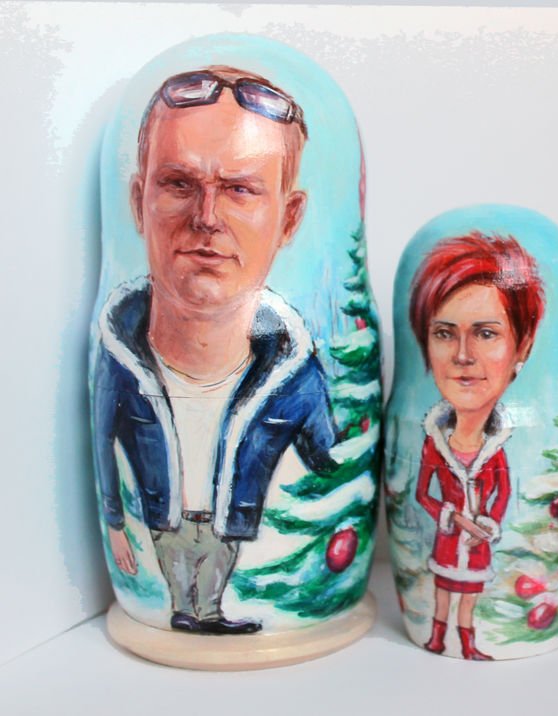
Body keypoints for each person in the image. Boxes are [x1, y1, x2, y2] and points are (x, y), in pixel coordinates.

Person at [94, 66, 345, 634]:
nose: (207, 218)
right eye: (179, 184)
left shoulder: (297, 376)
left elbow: (328, 460)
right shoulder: (117, 365)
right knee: (178, 566)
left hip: (231, 526)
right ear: (138, 203)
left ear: (289, 218)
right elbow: (106, 450)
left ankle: (206, 613)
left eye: (240, 190)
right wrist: (115, 521)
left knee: (213, 565)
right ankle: (185, 613)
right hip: (164, 522)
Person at [409, 233, 545, 660]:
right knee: (443, 591)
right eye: (444, 333)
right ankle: (437, 638)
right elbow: (422, 493)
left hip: (478, 542)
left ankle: (468, 644)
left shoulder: (496, 448)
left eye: (486, 333)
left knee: (469, 594)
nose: (463, 355)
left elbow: (502, 493)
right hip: (448, 540)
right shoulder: (433, 443)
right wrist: (450, 518)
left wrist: (486, 524)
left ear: (523, 346)